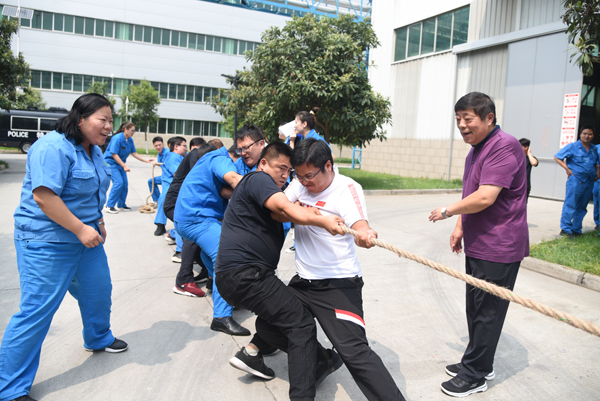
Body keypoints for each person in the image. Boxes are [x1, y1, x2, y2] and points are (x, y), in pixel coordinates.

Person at [247, 138, 405, 401]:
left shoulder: (347, 189)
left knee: (354, 352)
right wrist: (310, 214)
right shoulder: (300, 183)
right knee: (268, 326)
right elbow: (277, 211)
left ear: (328, 166)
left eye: (309, 176)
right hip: (303, 283)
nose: (304, 182)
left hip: (338, 284)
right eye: (299, 176)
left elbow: (360, 223)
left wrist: (365, 233)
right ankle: (322, 361)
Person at [0, 94, 128, 401]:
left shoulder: (95, 150)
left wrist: (96, 221)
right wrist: (81, 228)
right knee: (37, 311)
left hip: (86, 239)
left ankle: (98, 338)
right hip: (47, 242)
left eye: (112, 120)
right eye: (103, 120)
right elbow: (44, 197)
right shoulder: (52, 147)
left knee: (98, 291)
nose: (109, 127)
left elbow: (93, 191)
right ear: (81, 118)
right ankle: (9, 388)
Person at [216, 142, 346, 401]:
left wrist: (306, 211)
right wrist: (323, 220)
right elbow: (287, 208)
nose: (285, 176)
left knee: (291, 310)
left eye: (289, 173)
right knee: (301, 325)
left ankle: (308, 359)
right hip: (246, 273)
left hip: (243, 276)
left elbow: (286, 212)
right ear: (263, 162)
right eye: (281, 168)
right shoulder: (258, 179)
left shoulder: (265, 195)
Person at [429, 92, 528, 397]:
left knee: (487, 311)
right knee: (476, 308)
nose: (461, 125)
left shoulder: (504, 146)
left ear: (489, 118)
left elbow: (486, 196)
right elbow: (471, 191)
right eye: (458, 119)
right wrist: (460, 226)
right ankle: (478, 361)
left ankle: (476, 374)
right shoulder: (476, 148)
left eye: (468, 118)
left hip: (500, 246)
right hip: (479, 242)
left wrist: (448, 211)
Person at [174, 143, 249, 335]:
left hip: (189, 217)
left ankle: (226, 294)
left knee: (212, 257)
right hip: (197, 218)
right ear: (239, 153)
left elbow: (224, 191)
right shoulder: (221, 159)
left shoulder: (211, 158)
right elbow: (232, 179)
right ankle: (222, 317)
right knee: (225, 258)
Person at [554, 125, 600, 237]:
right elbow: (557, 157)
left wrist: (598, 172)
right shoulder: (572, 147)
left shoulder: (594, 149)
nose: (587, 136)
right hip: (576, 180)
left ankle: (576, 229)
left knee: (582, 207)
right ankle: (565, 229)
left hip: (589, 181)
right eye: (585, 133)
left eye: (590, 134)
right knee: (570, 205)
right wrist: (567, 169)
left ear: (593, 135)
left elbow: (597, 163)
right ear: (580, 134)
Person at [104, 122, 154, 214]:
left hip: (121, 164)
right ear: (125, 129)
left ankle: (121, 205)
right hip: (111, 163)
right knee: (118, 183)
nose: (133, 132)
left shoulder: (130, 140)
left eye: (134, 131)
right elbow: (114, 154)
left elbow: (134, 153)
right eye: (132, 130)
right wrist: (124, 166)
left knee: (124, 185)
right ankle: (109, 205)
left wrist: (145, 160)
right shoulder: (117, 138)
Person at [153, 137, 187, 236]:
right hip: (170, 184)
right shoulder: (173, 157)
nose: (186, 148)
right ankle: (160, 224)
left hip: (171, 183)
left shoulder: (177, 156)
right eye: (184, 146)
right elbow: (178, 174)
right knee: (164, 199)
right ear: (176, 147)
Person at [147, 136, 170, 203]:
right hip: (164, 176)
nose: (158, 147)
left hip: (170, 177)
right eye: (156, 146)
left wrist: (158, 163)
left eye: (159, 145)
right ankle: (157, 200)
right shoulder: (159, 154)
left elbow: (169, 164)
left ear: (163, 144)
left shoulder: (168, 153)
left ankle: (164, 202)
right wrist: (158, 164)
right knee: (151, 181)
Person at [518, 138, 538, 202]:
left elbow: (534, 163)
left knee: (522, 205)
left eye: (520, 147)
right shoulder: (516, 157)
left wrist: (529, 153)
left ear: (526, 148)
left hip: (525, 186)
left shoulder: (530, 158)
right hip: (515, 185)